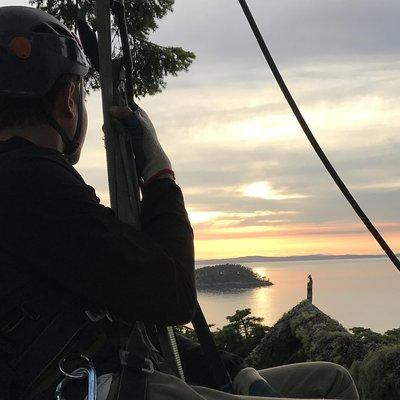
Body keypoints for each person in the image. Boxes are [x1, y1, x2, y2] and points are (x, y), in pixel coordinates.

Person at [0, 5, 359, 400]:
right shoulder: (30, 181)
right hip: (89, 386)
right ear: (68, 98)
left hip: (97, 374)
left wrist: (236, 372)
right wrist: (159, 174)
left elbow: (129, 321)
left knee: (330, 380)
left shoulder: (27, 183)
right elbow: (172, 293)